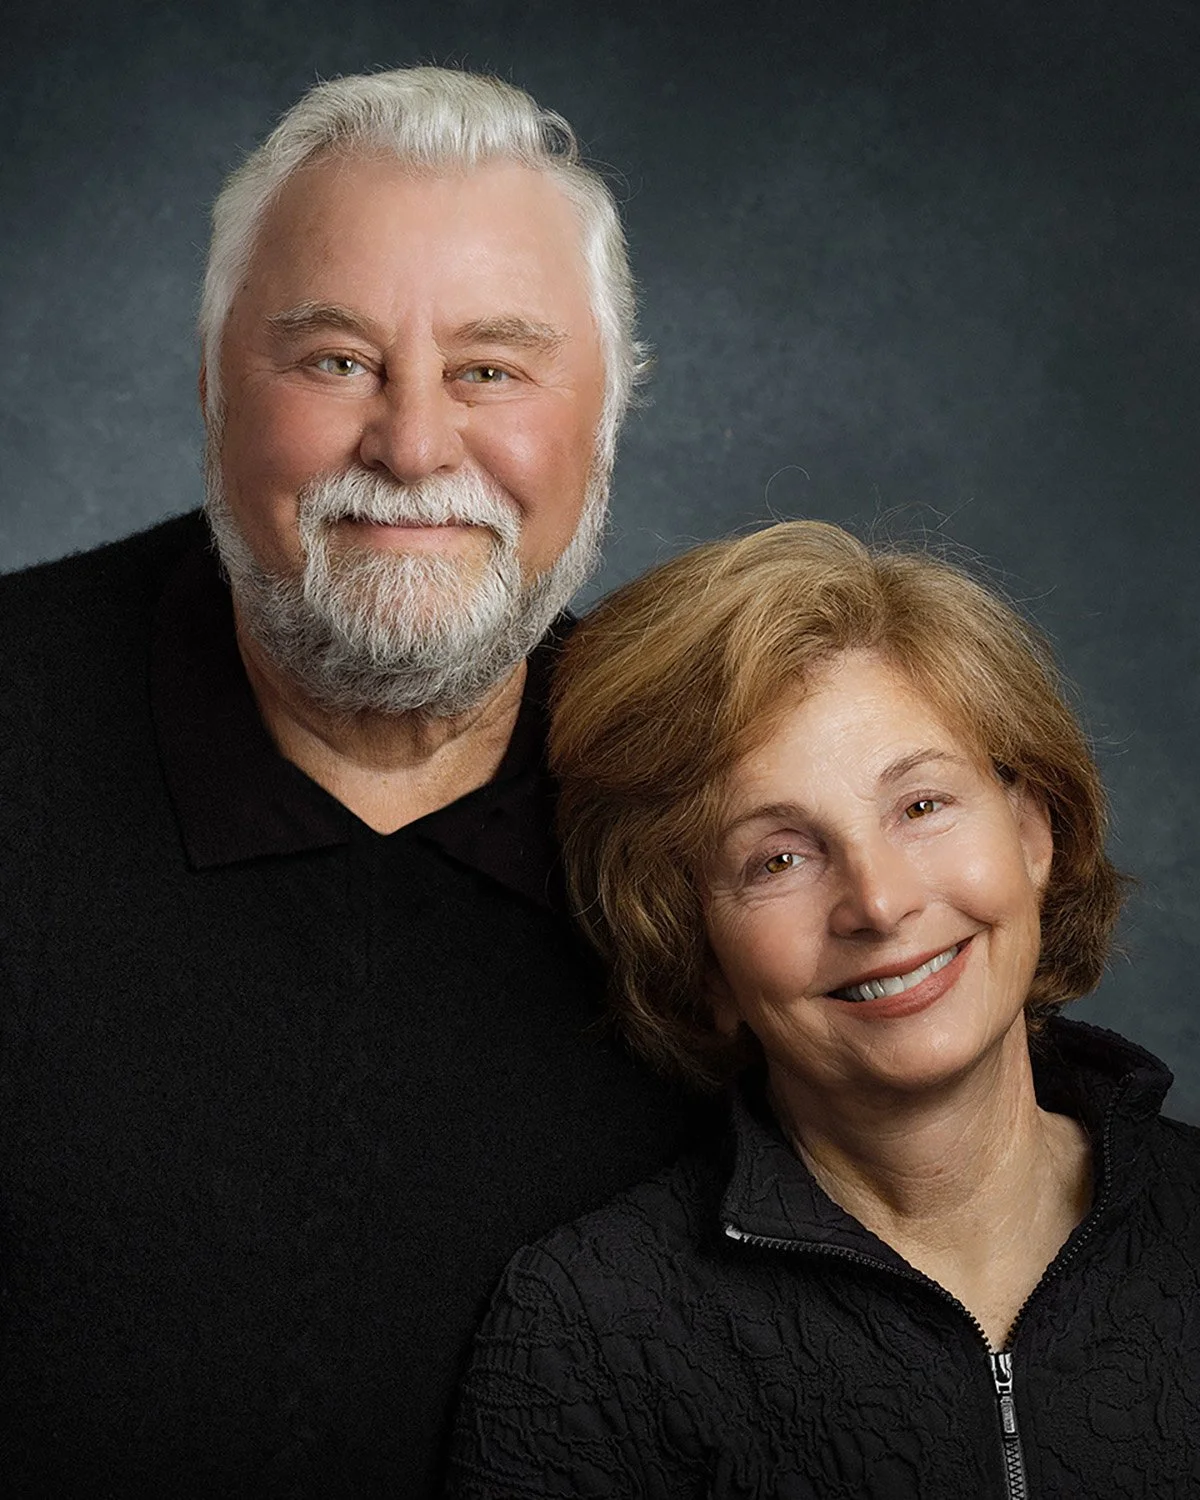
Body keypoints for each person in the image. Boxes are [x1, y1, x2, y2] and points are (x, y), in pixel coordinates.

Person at [0, 68, 702, 1496]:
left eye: (493, 368)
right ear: (210, 384)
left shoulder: (700, 808)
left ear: (608, 415)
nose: (415, 446)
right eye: (334, 361)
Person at [447, 520, 1200, 1498]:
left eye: (922, 805)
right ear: (697, 957)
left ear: (1032, 831)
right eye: (778, 860)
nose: (880, 903)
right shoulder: (594, 1328)